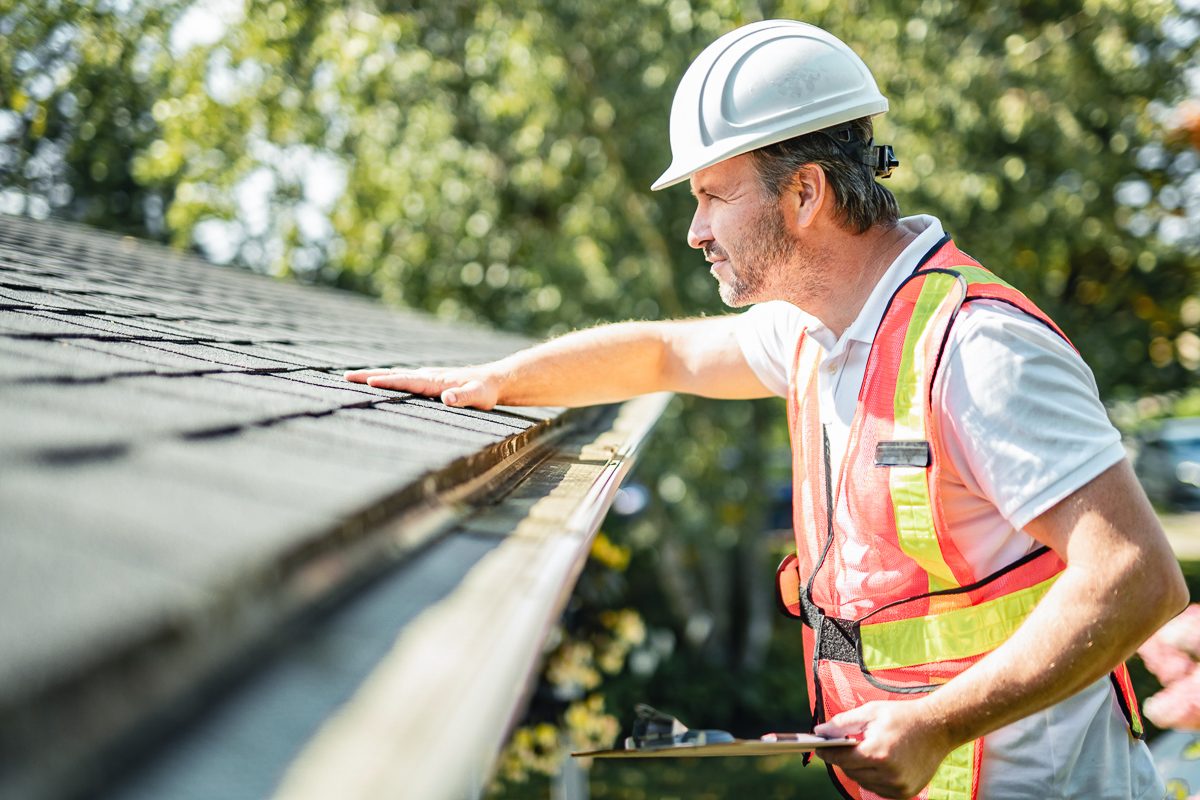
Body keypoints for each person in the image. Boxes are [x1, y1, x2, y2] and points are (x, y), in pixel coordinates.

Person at [346, 20, 1189, 800]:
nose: (695, 230)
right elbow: (662, 354)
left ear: (806, 194)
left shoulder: (977, 351)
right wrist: (496, 381)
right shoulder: (816, 331)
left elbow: (1137, 576)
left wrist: (936, 723)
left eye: (714, 196)